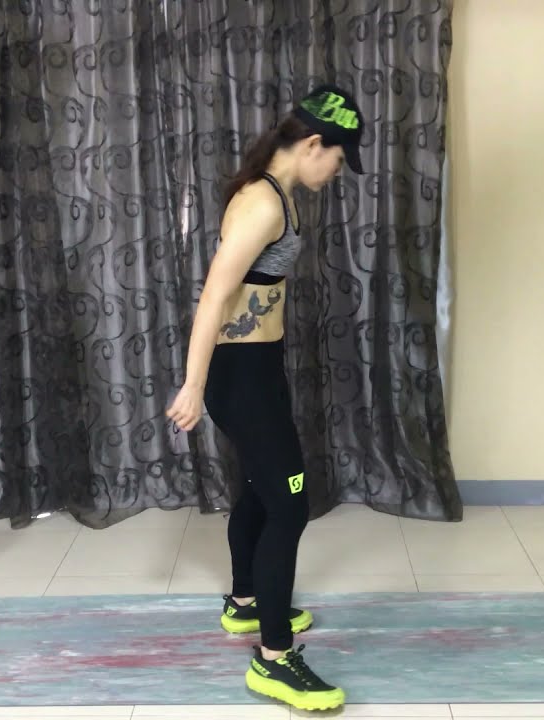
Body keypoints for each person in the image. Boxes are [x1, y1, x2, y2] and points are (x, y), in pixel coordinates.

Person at [165, 84, 365, 712]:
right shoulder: (261, 204)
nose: (337, 171)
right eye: (338, 158)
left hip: (260, 364)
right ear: (313, 144)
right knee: (290, 506)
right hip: (240, 372)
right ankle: (274, 660)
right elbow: (213, 296)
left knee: (262, 486)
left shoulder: (278, 192)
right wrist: (193, 384)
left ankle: (245, 602)